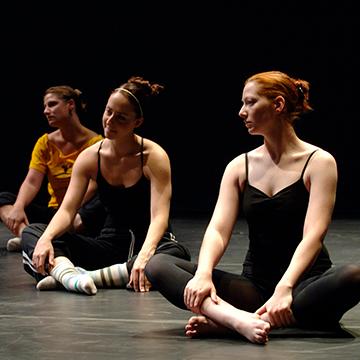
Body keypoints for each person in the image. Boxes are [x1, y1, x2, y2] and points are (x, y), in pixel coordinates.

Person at [144, 70, 360, 344]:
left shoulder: (319, 162)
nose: (241, 112)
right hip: (254, 288)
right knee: (159, 264)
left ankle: (244, 323)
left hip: (303, 286)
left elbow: (314, 235)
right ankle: (233, 319)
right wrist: (203, 274)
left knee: (353, 275)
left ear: (278, 105)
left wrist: (285, 287)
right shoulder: (239, 166)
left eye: (250, 102)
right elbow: (218, 230)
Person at [21, 76, 191, 296]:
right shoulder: (90, 157)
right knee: (33, 232)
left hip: (151, 244)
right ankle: (74, 277)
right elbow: (67, 210)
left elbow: (160, 217)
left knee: (176, 256)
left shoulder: (153, 156)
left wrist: (144, 256)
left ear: (136, 122)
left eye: (121, 118)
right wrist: (46, 239)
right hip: (108, 245)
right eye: (108, 111)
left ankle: (77, 277)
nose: (110, 121)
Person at [0, 85, 103, 252]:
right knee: (4, 199)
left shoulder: (97, 143)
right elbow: (32, 182)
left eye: (52, 104)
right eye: (45, 106)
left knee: (103, 199)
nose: (46, 111)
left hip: (79, 211)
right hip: (54, 212)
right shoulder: (45, 143)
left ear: (70, 105)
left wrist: (69, 207)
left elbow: (93, 184)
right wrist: (18, 207)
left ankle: (39, 238)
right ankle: (27, 236)